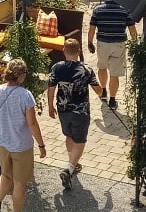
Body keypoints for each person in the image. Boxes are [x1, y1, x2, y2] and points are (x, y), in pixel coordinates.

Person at [0, 58, 47, 212]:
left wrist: (4, 126)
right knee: (19, 183)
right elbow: (32, 123)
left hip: (1, 142)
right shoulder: (25, 95)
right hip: (21, 145)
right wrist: (41, 144)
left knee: (5, 174)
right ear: (21, 76)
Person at [47, 38, 102, 191]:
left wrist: (50, 106)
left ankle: (73, 162)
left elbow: (51, 88)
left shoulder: (56, 67)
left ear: (64, 50)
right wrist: (102, 94)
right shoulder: (86, 70)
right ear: (78, 52)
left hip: (63, 110)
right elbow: (98, 89)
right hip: (81, 112)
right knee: (80, 141)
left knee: (69, 136)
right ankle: (69, 169)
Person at [87, 0, 139, 110]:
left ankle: (103, 91)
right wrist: (135, 45)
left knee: (102, 67)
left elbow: (92, 28)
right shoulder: (125, 10)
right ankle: (112, 100)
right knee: (114, 74)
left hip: (103, 44)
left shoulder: (98, 9)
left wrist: (89, 42)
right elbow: (132, 30)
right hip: (118, 45)